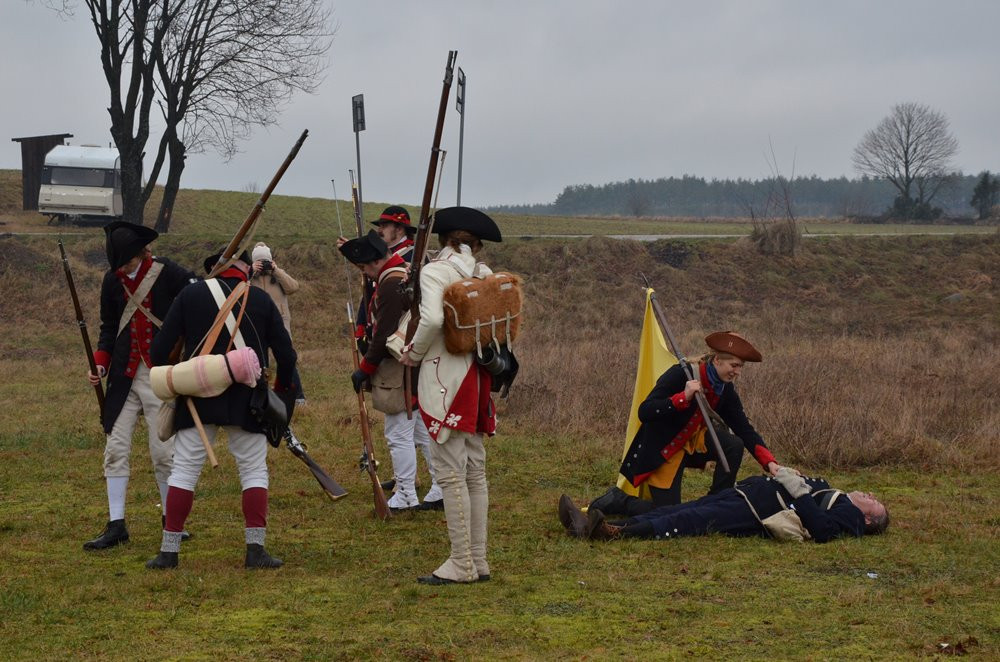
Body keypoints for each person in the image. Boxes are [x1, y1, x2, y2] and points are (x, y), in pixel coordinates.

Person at [145, 251, 296, 570]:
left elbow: (158, 352)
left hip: (197, 398)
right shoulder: (260, 299)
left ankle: (169, 552)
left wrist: (184, 370)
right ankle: (255, 550)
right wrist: (281, 401)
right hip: (248, 400)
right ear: (244, 268)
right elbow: (286, 355)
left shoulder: (190, 295)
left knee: (183, 470)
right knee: (254, 470)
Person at [400, 206, 503, 585]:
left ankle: (462, 563)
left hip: (444, 377)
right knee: (475, 470)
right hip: (477, 378)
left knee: (451, 473)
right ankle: (479, 559)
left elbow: (431, 321)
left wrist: (412, 353)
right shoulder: (483, 273)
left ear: (443, 239)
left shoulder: (436, 271)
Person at [83, 221, 197, 551]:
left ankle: (171, 521)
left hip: (158, 374)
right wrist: (101, 362)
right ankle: (116, 524)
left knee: (163, 452)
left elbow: (195, 294)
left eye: (126, 261)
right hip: (122, 377)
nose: (122, 268)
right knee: (115, 448)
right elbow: (108, 327)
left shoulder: (168, 272)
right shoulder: (112, 282)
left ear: (139, 254)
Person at [589, 332, 785, 516]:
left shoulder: (725, 390)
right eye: (734, 365)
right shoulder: (681, 374)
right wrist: (683, 397)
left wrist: (769, 463)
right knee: (668, 513)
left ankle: (716, 504)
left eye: (740, 367)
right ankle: (617, 500)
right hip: (664, 449)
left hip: (692, 446)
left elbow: (744, 429)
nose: (737, 372)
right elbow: (645, 411)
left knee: (734, 445)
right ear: (717, 360)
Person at [340, 230, 442, 512]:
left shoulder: (390, 282)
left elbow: (384, 333)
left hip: (399, 367)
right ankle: (441, 486)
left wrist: (365, 368)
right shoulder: (398, 274)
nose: (365, 274)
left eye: (364, 268)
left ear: (373, 261)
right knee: (420, 430)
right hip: (410, 363)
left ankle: (407, 493)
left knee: (398, 433)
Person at [559, 469, 889, 543]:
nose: (869, 494)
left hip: (757, 512)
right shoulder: (839, 495)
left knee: (689, 519)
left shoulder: (849, 514)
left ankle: (611, 533)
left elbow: (824, 532)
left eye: (874, 502)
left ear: (868, 520)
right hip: (749, 495)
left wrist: (799, 492)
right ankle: (585, 521)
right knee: (676, 511)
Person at [249, 242, 305, 405]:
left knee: (287, 358)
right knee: (258, 360)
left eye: (265, 261)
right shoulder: (250, 277)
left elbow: (294, 287)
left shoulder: (278, 275)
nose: (264, 265)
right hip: (256, 323)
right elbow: (238, 288)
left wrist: (276, 270)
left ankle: (298, 396)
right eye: (260, 262)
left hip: (279, 322)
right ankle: (261, 395)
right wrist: (251, 271)